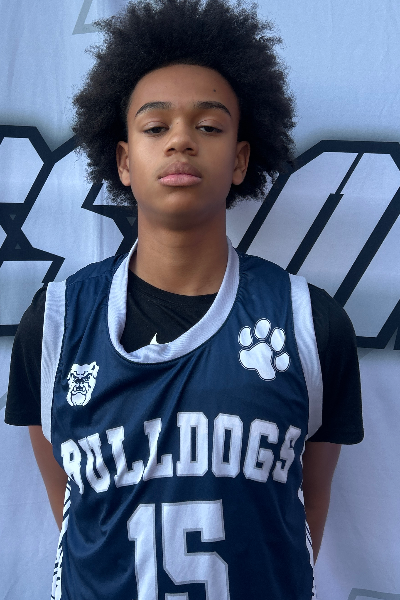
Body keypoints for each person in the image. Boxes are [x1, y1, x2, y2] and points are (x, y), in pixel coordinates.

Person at [5, 0, 363, 598]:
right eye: (155, 127)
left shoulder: (311, 322)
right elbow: (71, 503)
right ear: (124, 160)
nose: (181, 141)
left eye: (209, 126)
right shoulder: (56, 322)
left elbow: (307, 503)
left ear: (241, 159)